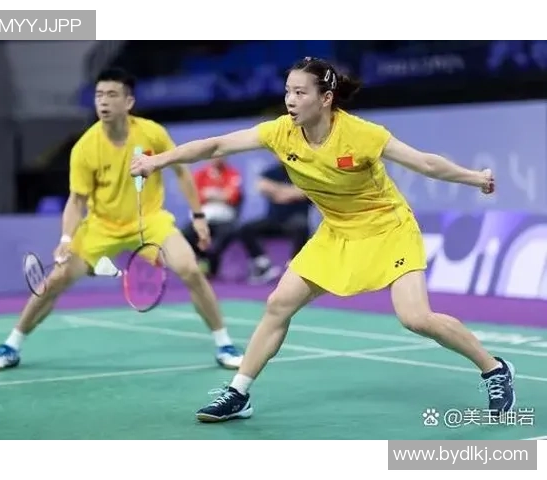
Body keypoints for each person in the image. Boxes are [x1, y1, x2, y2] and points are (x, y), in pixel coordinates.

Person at [130, 57, 516, 423]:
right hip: (336, 231)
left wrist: (476, 178)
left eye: (300, 93)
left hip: (388, 229)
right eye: (288, 91)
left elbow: (426, 163)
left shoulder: (362, 135)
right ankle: (239, 392)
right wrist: (157, 161)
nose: (290, 100)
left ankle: (494, 369)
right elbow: (215, 146)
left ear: (326, 98)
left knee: (416, 318)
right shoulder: (280, 132)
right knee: (278, 304)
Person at [0, 68, 243, 371]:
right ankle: (11, 345)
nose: (103, 101)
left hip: (149, 220)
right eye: (99, 95)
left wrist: (197, 216)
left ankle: (224, 343)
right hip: (102, 226)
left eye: (111, 95)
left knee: (191, 269)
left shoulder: (151, 133)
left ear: (128, 102)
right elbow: (77, 201)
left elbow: (182, 171)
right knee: (55, 280)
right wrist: (66, 238)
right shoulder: (85, 147)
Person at [236, 163, 310, 284]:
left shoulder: (303, 173)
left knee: (302, 227)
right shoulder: (272, 172)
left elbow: (305, 193)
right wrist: (291, 191)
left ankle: (295, 266)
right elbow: (261, 186)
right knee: (246, 228)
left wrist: (276, 190)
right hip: (274, 220)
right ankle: (262, 264)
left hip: (295, 220)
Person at [181, 157, 242, 278]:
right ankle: (202, 258)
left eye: (220, 156)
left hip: (224, 218)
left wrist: (210, 193)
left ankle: (213, 264)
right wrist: (221, 194)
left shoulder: (233, 173)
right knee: (186, 234)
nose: (217, 159)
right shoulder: (200, 174)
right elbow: (196, 197)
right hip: (202, 218)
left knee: (220, 240)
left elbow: (233, 196)